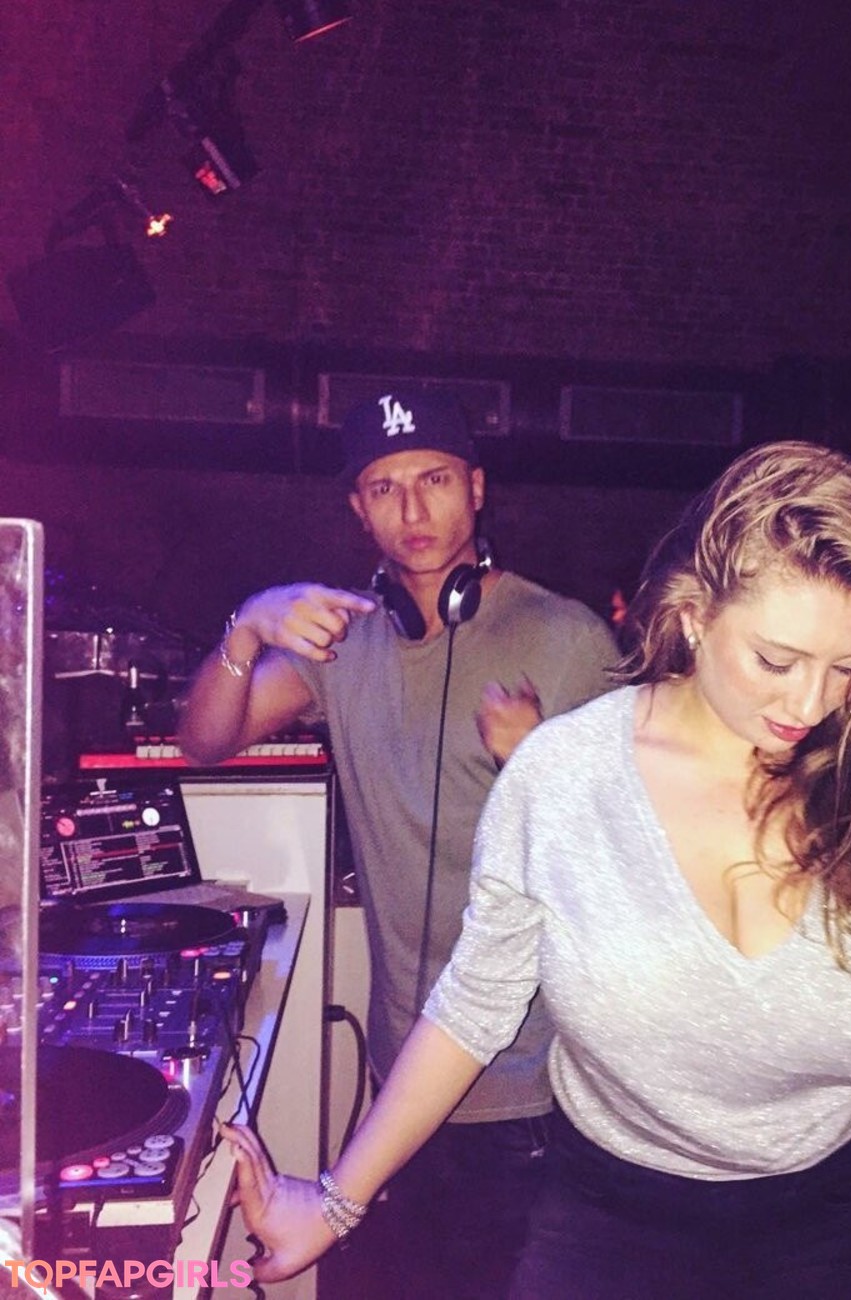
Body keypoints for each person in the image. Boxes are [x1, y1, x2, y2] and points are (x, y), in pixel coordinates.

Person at [222, 440, 851, 1299]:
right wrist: (332, 1204)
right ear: (693, 616)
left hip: (836, 1222)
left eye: (847, 668)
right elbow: (471, 1010)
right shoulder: (565, 774)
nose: (811, 704)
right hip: (615, 1223)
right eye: (776, 661)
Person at [178, 388, 617, 1299]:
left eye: (435, 480)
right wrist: (248, 623)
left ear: (477, 488)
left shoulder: (568, 637)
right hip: (399, 1080)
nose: (412, 509)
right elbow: (204, 740)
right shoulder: (343, 644)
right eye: (384, 488)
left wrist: (539, 762)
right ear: (358, 508)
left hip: (533, 1092)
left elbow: (636, 857)